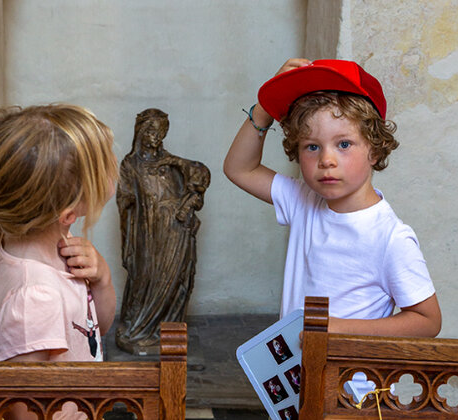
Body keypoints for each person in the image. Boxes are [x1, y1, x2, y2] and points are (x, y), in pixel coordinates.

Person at [224, 58, 441, 337]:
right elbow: (240, 168)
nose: (326, 160)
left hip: (349, 380)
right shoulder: (303, 202)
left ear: (374, 151)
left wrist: (334, 329)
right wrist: (265, 108)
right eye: (312, 146)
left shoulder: (390, 237)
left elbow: (428, 321)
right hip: (299, 377)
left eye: (344, 144)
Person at [0, 104, 119, 419]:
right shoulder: (35, 298)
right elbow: (19, 411)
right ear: (67, 214)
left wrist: (102, 279)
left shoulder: (53, 247)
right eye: (105, 164)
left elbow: (95, 330)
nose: (115, 166)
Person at [115, 108, 210, 354]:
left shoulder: (172, 164)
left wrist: (177, 164)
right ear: (141, 132)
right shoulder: (131, 164)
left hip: (175, 234)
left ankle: (165, 329)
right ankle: (137, 330)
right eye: (151, 131)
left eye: (161, 132)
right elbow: (125, 202)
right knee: (145, 279)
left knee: (174, 279)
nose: (156, 137)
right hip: (147, 236)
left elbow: (200, 174)